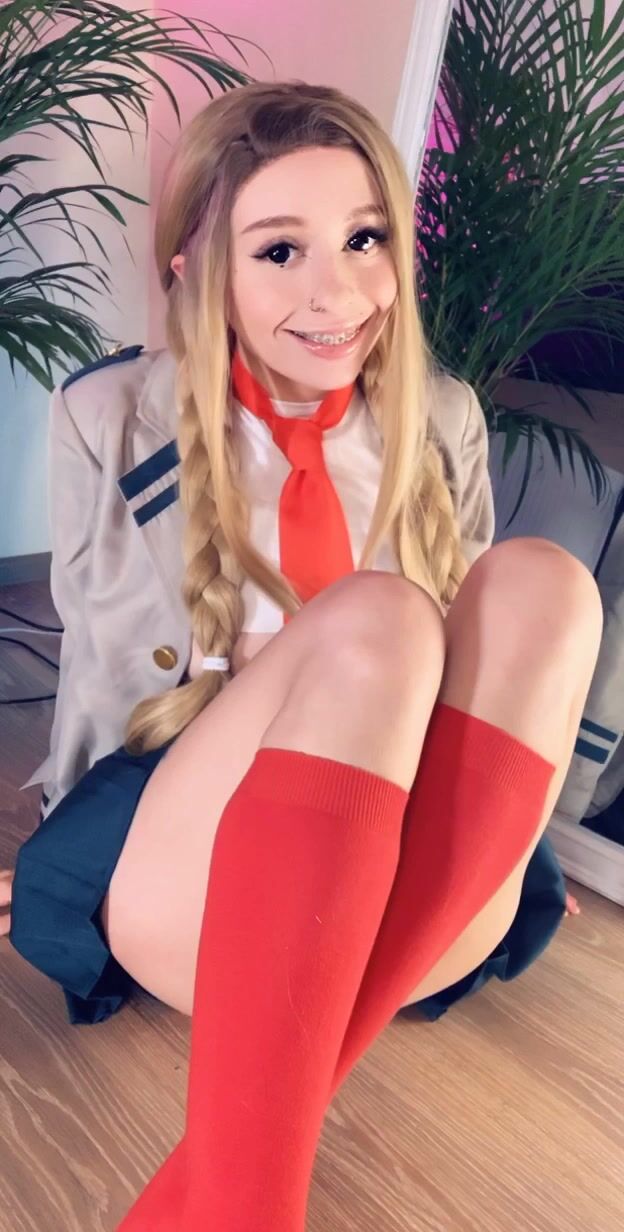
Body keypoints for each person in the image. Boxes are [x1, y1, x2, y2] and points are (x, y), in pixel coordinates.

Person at [2, 81, 601, 1230]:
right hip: (200, 882)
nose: (338, 291)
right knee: (383, 619)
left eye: (366, 238)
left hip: (397, 900)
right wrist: (62, 838)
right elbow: (107, 659)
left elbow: (487, 675)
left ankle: (227, 1185)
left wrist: (508, 830)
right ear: (195, 269)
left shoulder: (445, 418)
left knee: (546, 582)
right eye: (280, 250)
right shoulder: (111, 415)